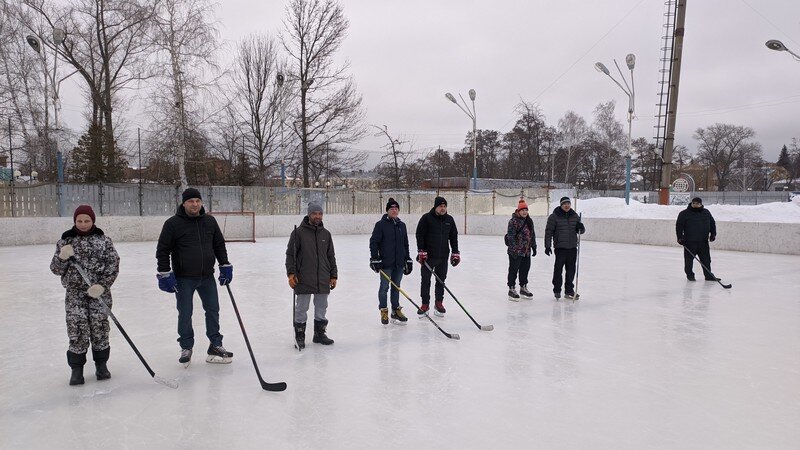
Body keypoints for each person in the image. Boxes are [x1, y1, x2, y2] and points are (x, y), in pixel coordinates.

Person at [156, 188, 234, 366]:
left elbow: (219, 245)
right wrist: (165, 273)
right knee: (185, 313)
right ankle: (186, 346)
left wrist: (225, 265)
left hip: (207, 276)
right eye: (190, 201)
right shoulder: (173, 224)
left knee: (213, 310)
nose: (195, 204)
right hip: (184, 278)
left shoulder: (210, 221)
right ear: (184, 203)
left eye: (197, 201)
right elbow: (163, 250)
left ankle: (215, 344)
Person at [50, 205, 120, 386]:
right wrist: (62, 257)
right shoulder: (65, 242)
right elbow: (56, 270)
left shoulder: (104, 241)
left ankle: (101, 365)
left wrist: (102, 286)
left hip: (99, 294)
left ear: (93, 221)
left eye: (86, 220)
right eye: (79, 221)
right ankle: (76, 369)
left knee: (100, 328)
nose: (83, 224)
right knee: (77, 329)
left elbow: (113, 265)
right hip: (75, 294)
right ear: (74, 221)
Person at [286, 202, 338, 348]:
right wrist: (291, 274)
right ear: (309, 214)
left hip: (323, 277)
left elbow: (331, 256)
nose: (318, 216)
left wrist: (333, 275)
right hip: (303, 278)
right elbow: (291, 255)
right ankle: (300, 335)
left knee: (322, 307)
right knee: (302, 308)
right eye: (315, 213)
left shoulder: (326, 234)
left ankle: (319, 334)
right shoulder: (298, 233)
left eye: (320, 214)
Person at [369, 198, 412, 325]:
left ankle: (395, 311)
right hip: (385, 263)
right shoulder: (380, 225)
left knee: (396, 287)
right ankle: (384, 310)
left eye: (396, 208)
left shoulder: (401, 225)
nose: (394, 210)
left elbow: (406, 244)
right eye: (391, 208)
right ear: (387, 210)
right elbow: (374, 242)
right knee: (384, 287)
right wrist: (374, 258)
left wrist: (408, 259)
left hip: (399, 263)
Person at [415, 196, 459, 316]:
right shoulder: (426, 218)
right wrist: (421, 251)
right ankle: (425, 304)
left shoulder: (449, 220)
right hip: (428, 257)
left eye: (444, 206)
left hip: (443, 256)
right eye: (440, 206)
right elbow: (420, 235)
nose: (443, 208)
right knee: (425, 281)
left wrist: (455, 253)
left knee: (441, 280)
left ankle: (438, 302)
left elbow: (453, 237)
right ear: (435, 206)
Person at [544, 196, 585, 299]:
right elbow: (549, 232)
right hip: (560, 247)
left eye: (568, 204)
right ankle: (557, 289)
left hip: (572, 247)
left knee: (571, 270)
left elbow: (580, 231)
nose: (567, 205)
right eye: (564, 204)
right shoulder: (554, 217)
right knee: (558, 269)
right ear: (561, 205)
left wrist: (581, 227)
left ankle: (569, 290)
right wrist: (547, 246)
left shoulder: (575, 216)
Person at [676, 197, 718, 281]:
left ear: (701, 204)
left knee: (706, 260)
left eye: (697, 203)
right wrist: (680, 237)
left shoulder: (706, 212)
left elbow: (712, 223)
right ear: (691, 203)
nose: (695, 205)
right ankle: (690, 275)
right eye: (694, 203)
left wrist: (713, 234)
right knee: (689, 261)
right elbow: (679, 226)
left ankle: (708, 276)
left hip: (703, 242)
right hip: (689, 242)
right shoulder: (684, 213)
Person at [505, 198, 536, 300]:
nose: (525, 212)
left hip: (526, 251)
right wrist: (514, 250)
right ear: (518, 211)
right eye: (522, 210)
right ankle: (511, 288)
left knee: (525, 270)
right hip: (516, 251)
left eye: (526, 210)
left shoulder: (529, 221)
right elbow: (511, 236)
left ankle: (523, 288)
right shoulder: (513, 221)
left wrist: (534, 246)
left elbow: (532, 235)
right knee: (513, 270)